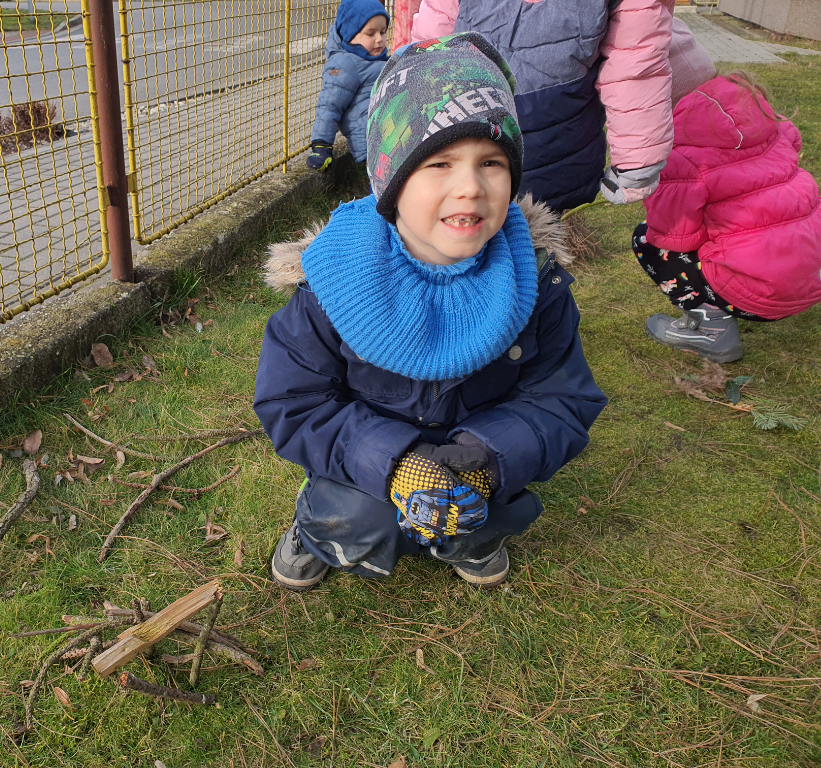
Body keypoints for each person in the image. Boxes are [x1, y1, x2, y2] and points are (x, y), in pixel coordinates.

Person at [255, 34, 607, 591]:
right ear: (390, 183)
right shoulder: (332, 282)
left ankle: (472, 533)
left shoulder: (534, 281)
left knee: (478, 514)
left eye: (491, 162)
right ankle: (318, 525)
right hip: (368, 468)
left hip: (476, 463)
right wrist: (393, 461)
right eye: (439, 163)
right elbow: (293, 402)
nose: (469, 187)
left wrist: (491, 456)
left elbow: (563, 398)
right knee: (358, 521)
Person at [634, 21, 821, 363]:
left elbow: (674, 236)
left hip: (763, 294)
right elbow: (792, 144)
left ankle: (712, 327)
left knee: (647, 241)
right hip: (812, 277)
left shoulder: (681, 153)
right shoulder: (759, 112)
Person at [410, 0, 675, 212]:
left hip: (557, 152)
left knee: (534, 259)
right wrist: (411, 128)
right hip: (471, 142)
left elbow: (635, 62)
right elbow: (432, 47)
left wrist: (636, 160)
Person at [306, 0, 389, 171]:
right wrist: (321, 146)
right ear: (350, 35)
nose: (379, 39)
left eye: (383, 31)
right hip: (372, 143)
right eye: (370, 33)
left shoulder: (376, 60)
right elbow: (329, 106)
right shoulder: (345, 64)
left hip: (388, 136)